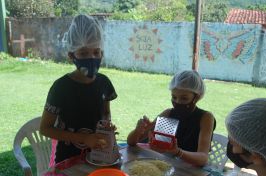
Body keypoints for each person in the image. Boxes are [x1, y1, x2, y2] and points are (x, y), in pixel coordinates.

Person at [40, 14, 117, 164]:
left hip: (99, 156)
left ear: (102, 53)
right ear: (71, 55)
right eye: (83, 53)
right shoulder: (61, 87)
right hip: (68, 161)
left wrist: (107, 126)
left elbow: (105, 113)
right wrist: (84, 138)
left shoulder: (104, 83)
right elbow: (45, 129)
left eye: (96, 52)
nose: (91, 58)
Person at [127, 70, 216, 166]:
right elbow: (131, 142)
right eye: (174, 97)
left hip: (192, 170)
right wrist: (138, 130)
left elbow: (202, 158)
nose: (178, 102)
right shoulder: (168, 114)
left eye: (184, 98)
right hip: (169, 166)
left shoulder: (205, 118)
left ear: (196, 97)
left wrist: (178, 152)